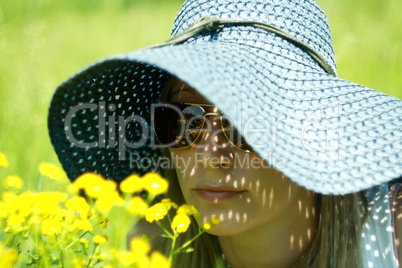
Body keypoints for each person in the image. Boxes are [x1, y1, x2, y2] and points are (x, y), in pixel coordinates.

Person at [48, 0, 402, 267]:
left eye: (249, 121)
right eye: (185, 120)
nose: (212, 153)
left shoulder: (392, 234)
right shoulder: (155, 249)